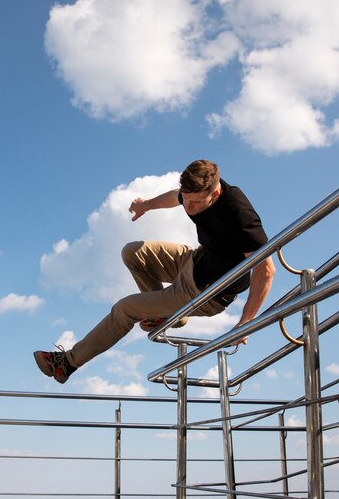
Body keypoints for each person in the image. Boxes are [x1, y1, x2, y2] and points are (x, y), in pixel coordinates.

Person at [34, 159, 275, 384]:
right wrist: (146, 206)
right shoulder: (193, 194)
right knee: (132, 252)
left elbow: (266, 269)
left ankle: (67, 364)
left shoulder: (239, 214)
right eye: (186, 200)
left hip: (207, 291)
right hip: (196, 260)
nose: (189, 208)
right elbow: (175, 197)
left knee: (125, 309)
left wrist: (246, 321)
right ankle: (168, 315)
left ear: (215, 192)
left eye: (196, 203)